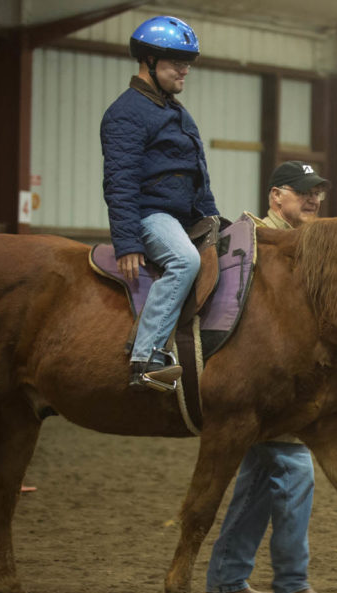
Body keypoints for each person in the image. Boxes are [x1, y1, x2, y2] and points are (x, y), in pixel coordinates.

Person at [205, 161, 337, 593]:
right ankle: (291, 585)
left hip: (288, 386)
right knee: (294, 471)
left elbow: (329, 325)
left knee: (262, 479)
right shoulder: (252, 244)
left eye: (317, 191)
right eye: (303, 191)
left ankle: (226, 580)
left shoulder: (309, 250)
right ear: (276, 196)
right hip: (269, 383)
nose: (314, 198)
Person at [100, 15, 217, 391]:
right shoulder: (126, 113)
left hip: (186, 216)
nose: (185, 70)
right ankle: (146, 358)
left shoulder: (176, 112)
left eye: (188, 62)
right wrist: (128, 242)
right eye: (176, 61)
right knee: (185, 261)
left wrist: (215, 220)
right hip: (152, 215)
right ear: (148, 61)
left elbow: (199, 176)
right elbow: (119, 182)